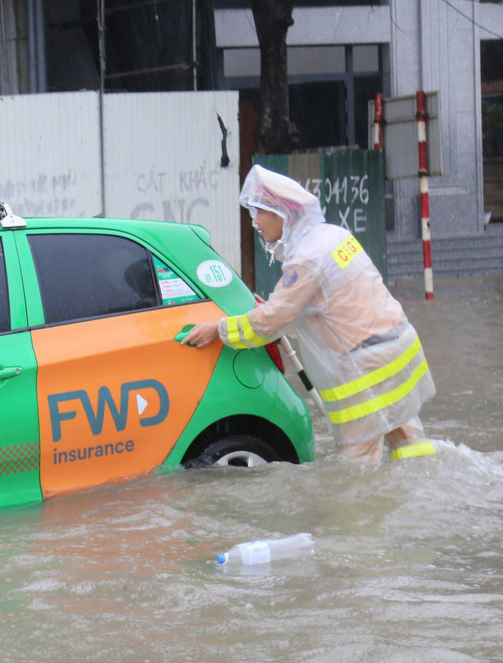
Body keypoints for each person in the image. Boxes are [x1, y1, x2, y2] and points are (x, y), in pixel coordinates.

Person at [181, 165, 436, 461]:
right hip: (397, 352)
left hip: (364, 370)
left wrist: (218, 329)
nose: (255, 221)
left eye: (260, 212)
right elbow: (328, 303)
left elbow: (270, 323)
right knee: (407, 440)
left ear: (282, 214)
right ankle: (426, 484)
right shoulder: (333, 236)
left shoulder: (305, 260)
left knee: (357, 469)